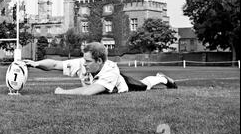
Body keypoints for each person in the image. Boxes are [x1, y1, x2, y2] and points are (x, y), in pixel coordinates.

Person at [24, 42, 177, 96]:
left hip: (125, 85)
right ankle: (161, 77)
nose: (84, 64)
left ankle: (163, 78)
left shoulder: (111, 70)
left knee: (145, 85)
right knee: (146, 84)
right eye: (84, 60)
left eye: (88, 61)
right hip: (107, 82)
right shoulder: (85, 62)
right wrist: (35, 64)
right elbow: (56, 64)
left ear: (99, 61)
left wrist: (63, 92)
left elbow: (89, 92)